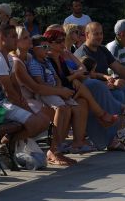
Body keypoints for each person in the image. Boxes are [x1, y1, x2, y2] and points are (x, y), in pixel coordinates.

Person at [43, 28, 125, 151]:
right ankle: (107, 118)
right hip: (62, 92)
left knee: (87, 101)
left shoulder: (62, 57)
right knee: (95, 87)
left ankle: (84, 141)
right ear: (49, 44)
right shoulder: (49, 59)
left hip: (74, 89)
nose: (62, 43)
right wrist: (75, 76)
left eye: (63, 40)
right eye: (59, 41)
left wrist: (74, 71)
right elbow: (60, 80)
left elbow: (82, 69)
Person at [0, 24, 51, 159]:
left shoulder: (8, 58)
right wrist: (27, 109)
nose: (16, 40)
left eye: (16, 36)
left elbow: (15, 84)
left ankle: (7, 142)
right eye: (13, 37)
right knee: (37, 122)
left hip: (5, 104)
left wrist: (23, 102)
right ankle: (6, 143)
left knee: (45, 120)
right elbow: (9, 92)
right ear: (1, 38)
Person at [74, 22, 125, 145]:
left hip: (110, 86)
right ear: (87, 35)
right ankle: (120, 133)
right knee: (118, 94)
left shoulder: (102, 49)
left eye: (101, 33)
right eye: (96, 34)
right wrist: (109, 83)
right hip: (95, 93)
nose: (100, 36)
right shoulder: (82, 53)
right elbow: (86, 77)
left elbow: (119, 68)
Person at [11, 28, 76, 166]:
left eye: (29, 36)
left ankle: (56, 150)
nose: (29, 39)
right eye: (25, 38)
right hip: (23, 101)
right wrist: (60, 92)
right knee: (60, 110)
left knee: (66, 109)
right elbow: (36, 87)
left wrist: (59, 90)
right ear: (16, 42)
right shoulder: (16, 63)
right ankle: (53, 151)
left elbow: (47, 81)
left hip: (35, 97)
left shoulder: (29, 57)